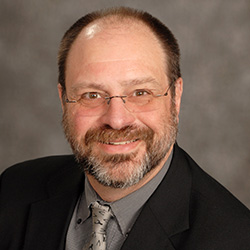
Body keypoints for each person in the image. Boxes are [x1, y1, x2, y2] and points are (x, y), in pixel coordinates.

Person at [0, 7, 250, 250]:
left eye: (141, 93)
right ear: (63, 99)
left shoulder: (234, 238)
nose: (117, 120)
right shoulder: (14, 191)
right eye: (92, 95)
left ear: (176, 97)